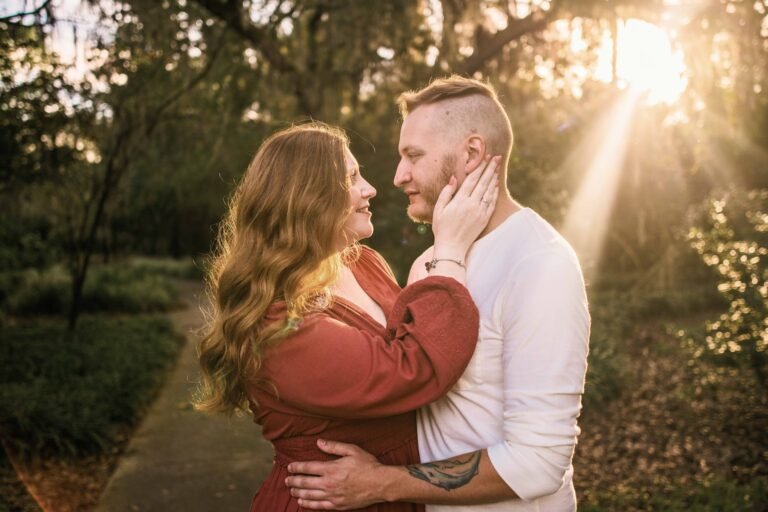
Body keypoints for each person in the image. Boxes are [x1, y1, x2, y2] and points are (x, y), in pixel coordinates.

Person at [285, 77, 591, 511]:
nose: (398, 176)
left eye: (413, 156)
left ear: (471, 154)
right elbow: (407, 378)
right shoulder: (430, 262)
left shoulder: (540, 264)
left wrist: (380, 482)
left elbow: (539, 462)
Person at [194, 122, 502, 512]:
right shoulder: (276, 326)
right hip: (326, 502)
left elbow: (413, 330)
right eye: (352, 177)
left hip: (391, 491)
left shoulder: (362, 263)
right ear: (309, 196)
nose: (371, 188)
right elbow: (414, 367)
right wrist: (450, 248)